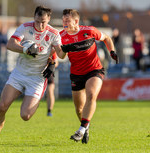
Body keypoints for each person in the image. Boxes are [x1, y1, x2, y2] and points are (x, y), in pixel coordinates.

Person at [0, 6, 66, 146]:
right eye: (38, 21)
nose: (40, 25)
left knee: (25, 116)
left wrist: (60, 54)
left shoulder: (53, 33)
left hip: (37, 78)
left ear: (49, 19)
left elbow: (61, 55)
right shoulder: (25, 27)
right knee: (3, 106)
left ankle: (36, 98)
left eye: (44, 22)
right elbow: (10, 44)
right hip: (19, 74)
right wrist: (25, 49)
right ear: (34, 17)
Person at [59, 9, 118, 144]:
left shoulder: (89, 31)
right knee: (79, 109)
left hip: (94, 70)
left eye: (67, 20)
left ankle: (81, 129)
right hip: (76, 74)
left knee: (91, 95)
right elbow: (61, 56)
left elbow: (107, 38)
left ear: (76, 21)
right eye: (63, 20)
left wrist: (112, 51)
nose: (64, 23)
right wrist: (64, 49)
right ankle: (86, 126)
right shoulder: (60, 36)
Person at [46, 52, 59, 117]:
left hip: (48, 74)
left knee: (50, 91)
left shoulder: (52, 51)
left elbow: (56, 63)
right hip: (38, 74)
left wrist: (50, 64)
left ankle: (49, 110)